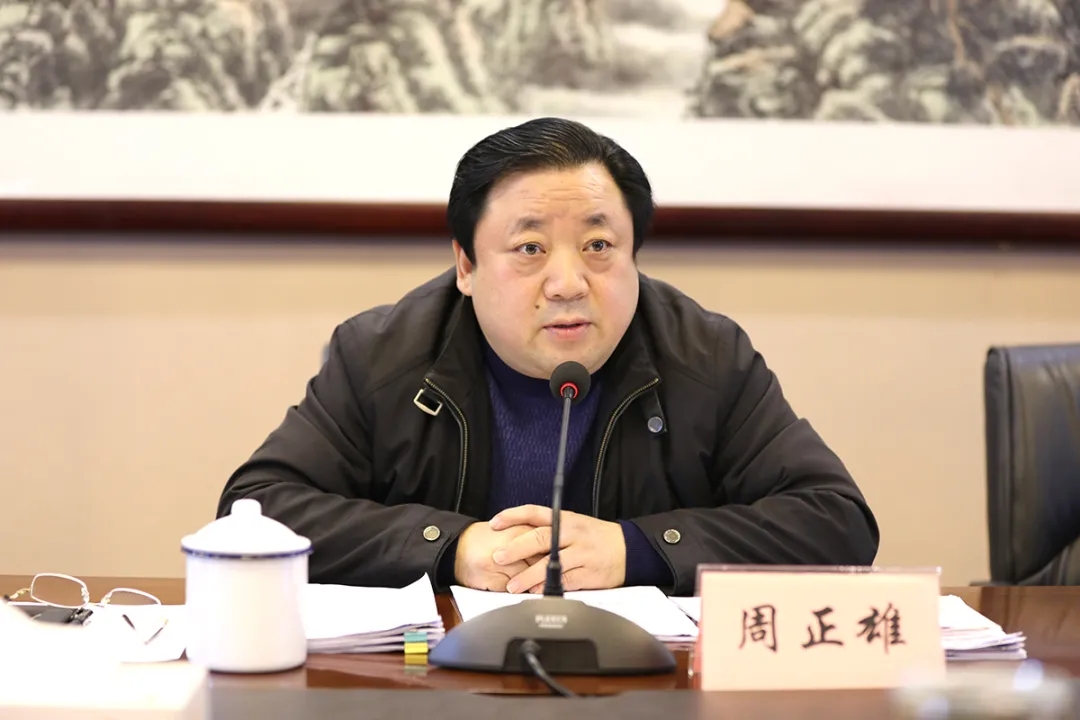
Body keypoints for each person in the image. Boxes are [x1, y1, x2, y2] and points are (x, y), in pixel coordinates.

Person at [217, 117, 879, 597]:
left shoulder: (705, 356)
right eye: (530, 249)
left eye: (599, 246)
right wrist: (449, 547)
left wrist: (638, 549)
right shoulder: (381, 354)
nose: (567, 283)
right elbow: (258, 510)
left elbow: (836, 522)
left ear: (634, 255)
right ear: (467, 265)